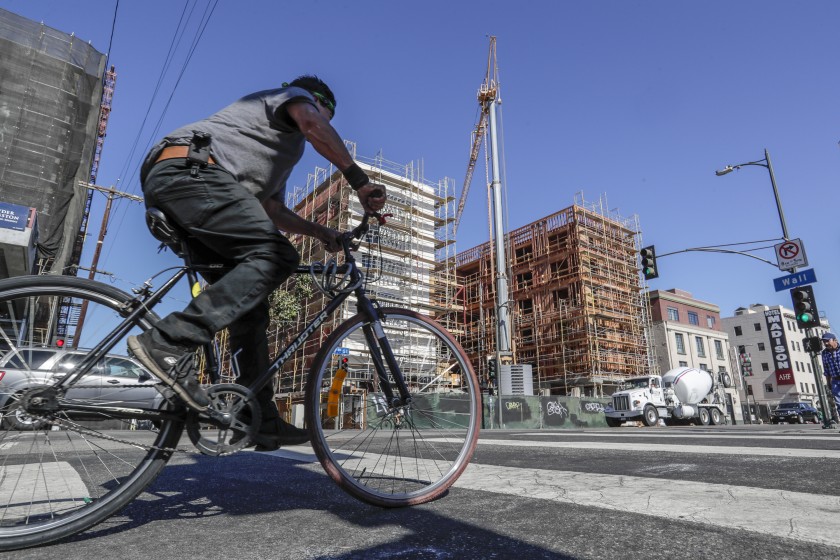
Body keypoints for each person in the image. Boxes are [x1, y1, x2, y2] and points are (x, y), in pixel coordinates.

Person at [127, 75, 387, 450]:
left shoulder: (272, 155)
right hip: (191, 171)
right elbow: (314, 125)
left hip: (193, 185)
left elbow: (273, 210)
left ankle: (258, 418)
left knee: (250, 308)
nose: (320, 121)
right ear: (318, 102)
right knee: (277, 254)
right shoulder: (293, 99)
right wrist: (359, 181)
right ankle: (168, 342)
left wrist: (320, 232)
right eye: (324, 113)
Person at [821, 332, 840, 427]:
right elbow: (826, 369)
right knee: (839, 403)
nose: (826, 343)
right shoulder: (824, 353)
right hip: (835, 381)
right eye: (824, 341)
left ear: (835, 340)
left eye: (828, 341)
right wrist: (828, 383)